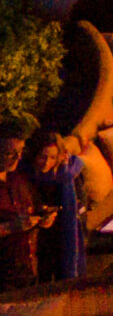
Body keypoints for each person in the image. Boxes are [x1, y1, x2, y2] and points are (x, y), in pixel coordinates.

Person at [0, 119, 49, 290]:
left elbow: (35, 209)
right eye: (9, 153)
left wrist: (44, 218)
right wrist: (11, 227)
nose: (17, 158)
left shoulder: (20, 179)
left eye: (20, 151)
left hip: (29, 272)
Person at [31, 131, 83, 282]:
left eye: (52, 157)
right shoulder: (27, 174)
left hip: (62, 230)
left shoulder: (67, 173)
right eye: (42, 156)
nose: (47, 162)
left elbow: (75, 208)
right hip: (37, 233)